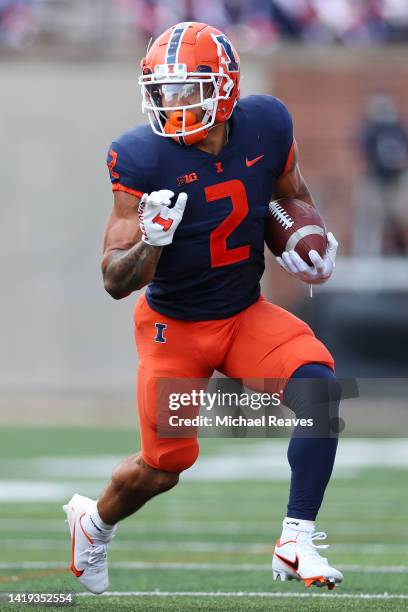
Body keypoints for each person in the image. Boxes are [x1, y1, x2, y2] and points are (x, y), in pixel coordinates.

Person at [63, 21, 341, 594]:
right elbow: (116, 281)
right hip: (175, 329)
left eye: (189, 87)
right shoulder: (139, 157)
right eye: (164, 89)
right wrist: (152, 241)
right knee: (163, 468)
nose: (173, 102)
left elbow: (289, 195)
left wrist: (305, 242)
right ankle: (93, 523)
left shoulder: (266, 123)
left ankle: (296, 540)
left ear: (227, 86)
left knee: (319, 387)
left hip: (243, 314)